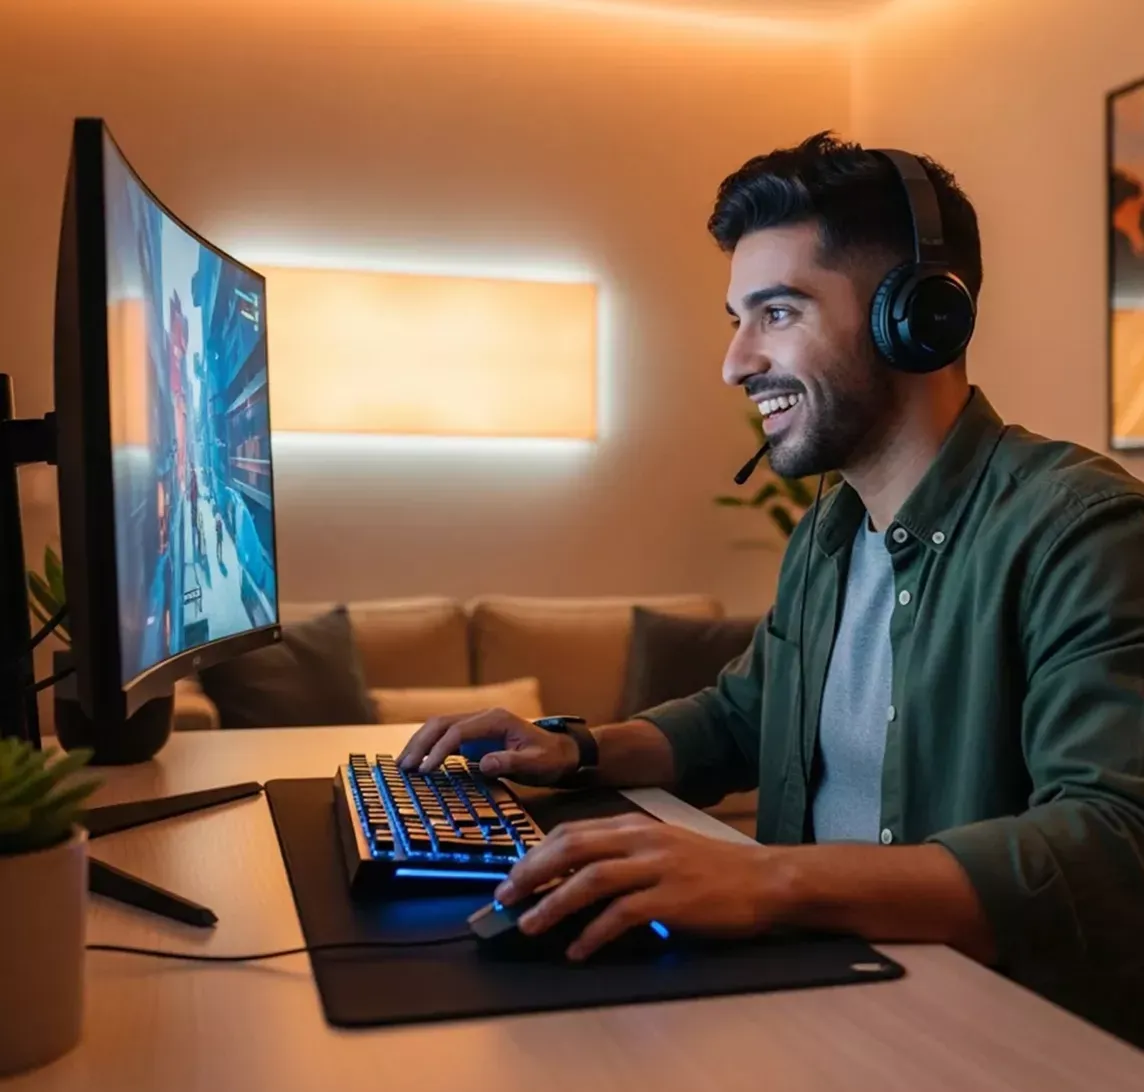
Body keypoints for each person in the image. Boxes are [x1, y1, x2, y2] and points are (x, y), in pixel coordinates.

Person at [398, 132, 1144, 1045]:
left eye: (778, 313)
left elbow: (1114, 844)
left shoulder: (1082, 529)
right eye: (735, 318)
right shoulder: (829, 534)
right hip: (820, 1004)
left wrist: (766, 880)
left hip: (991, 1039)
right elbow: (748, 717)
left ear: (917, 318)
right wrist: (577, 751)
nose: (737, 362)